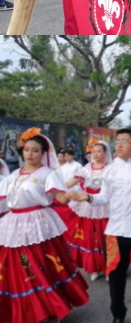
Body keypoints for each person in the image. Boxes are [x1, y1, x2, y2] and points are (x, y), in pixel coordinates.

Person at [69, 128, 131, 323]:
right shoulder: (111, 169)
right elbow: (105, 197)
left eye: (124, 141)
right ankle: (118, 314)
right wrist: (89, 197)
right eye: (117, 141)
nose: (119, 144)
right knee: (116, 278)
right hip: (115, 233)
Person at [0, 128, 90, 323]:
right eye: (27, 150)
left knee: (40, 266)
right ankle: (32, 309)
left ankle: (50, 307)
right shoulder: (14, 174)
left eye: (35, 150)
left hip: (38, 224)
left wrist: (73, 195)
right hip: (13, 225)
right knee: (19, 269)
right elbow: (3, 199)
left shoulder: (47, 174)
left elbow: (60, 197)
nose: (30, 154)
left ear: (43, 153)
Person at [64, 139, 112, 280]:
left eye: (99, 151)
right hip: (87, 206)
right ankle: (94, 268)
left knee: (106, 237)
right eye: (93, 152)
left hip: (105, 206)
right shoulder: (86, 169)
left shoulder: (110, 169)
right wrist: (56, 187)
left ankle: (109, 267)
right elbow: (70, 182)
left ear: (105, 153)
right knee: (90, 237)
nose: (95, 154)